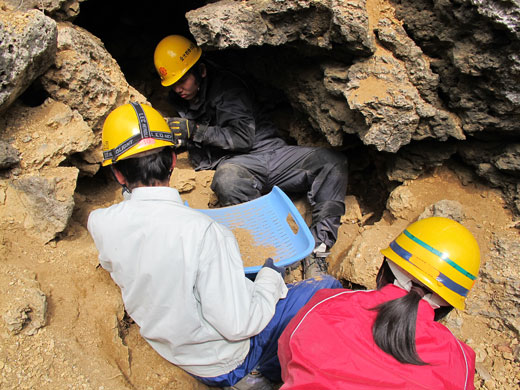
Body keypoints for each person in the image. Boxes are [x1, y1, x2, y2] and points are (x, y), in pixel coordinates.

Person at [87, 102, 342, 390]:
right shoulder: (206, 232)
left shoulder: (100, 222)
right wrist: (271, 276)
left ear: (119, 175)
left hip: (169, 343)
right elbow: (240, 325)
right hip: (224, 362)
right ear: (172, 160)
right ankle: (267, 372)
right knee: (326, 288)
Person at [153, 35, 349, 279]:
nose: (177, 88)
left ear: (201, 70)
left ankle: (318, 252)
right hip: (237, 165)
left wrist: (195, 131)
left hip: (269, 153)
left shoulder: (227, 88)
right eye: (172, 84)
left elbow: (243, 138)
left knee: (332, 162)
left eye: (182, 80)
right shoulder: (182, 97)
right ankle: (269, 255)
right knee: (227, 179)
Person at [277, 216, 480, 390]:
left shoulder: (329, 303)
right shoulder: (459, 363)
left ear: (382, 271)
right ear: (447, 307)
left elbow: (286, 355)